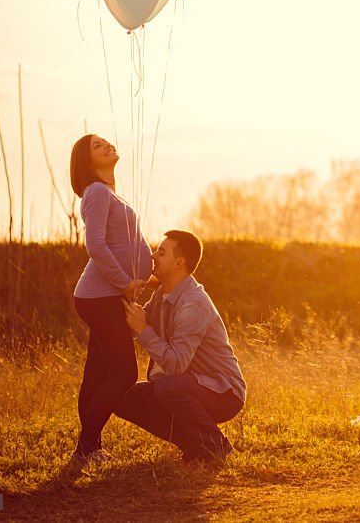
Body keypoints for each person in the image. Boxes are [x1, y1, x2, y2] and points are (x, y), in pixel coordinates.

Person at [117, 229, 246, 465]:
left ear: (179, 263)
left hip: (224, 391)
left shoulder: (192, 303)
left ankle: (217, 445)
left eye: (161, 252)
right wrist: (127, 298)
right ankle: (195, 448)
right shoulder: (164, 293)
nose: (153, 256)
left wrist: (143, 331)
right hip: (187, 384)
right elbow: (138, 320)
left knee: (167, 387)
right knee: (121, 396)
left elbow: (176, 364)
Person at [66, 133, 152, 471]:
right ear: (88, 163)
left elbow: (126, 244)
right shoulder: (98, 192)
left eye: (105, 142)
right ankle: (84, 450)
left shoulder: (110, 194)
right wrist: (124, 283)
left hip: (105, 296)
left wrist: (149, 275)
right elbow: (96, 245)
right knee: (124, 374)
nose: (107, 146)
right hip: (100, 297)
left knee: (96, 374)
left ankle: (90, 450)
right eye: (97, 147)